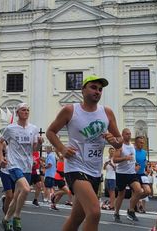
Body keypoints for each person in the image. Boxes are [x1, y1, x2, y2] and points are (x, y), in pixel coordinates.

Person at [47, 74, 123, 231]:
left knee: (77, 217)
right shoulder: (70, 110)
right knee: (94, 212)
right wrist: (62, 148)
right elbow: (50, 132)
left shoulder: (107, 112)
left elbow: (119, 140)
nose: (97, 92)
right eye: (93, 87)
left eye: (100, 89)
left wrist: (114, 141)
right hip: (76, 167)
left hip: (95, 170)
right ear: (83, 90)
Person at [0, 103, 42, 231]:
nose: (26, 112)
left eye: (28, 110)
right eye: (23, 110)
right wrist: (1, 158)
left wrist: (39, 144)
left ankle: (6, 219)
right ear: (17, 112)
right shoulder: (10, 128)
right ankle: (17, 216)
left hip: (27, 165)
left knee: (18, 194)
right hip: (13, 164)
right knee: (26, 189)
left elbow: (34, 148)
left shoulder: (33, 128)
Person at [113, 128, 143, 222]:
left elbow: (133, 158)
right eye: (127, 134)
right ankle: (116, 213)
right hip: (121, 173)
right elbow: (114, 160)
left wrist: (136, 165)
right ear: (122, 135)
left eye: (130, 134)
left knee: (139, 190)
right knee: (121, 194)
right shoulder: (120, 146)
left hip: (131, 173)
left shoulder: (132, 146)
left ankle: (131, 210)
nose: (129, 135)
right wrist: (125, 158)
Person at [134, 136, 151, 212]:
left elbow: (144, 161)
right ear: (136, 143)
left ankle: (134, 201)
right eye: (140, 142)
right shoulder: (133, 151)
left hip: (142, 174)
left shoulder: (144, 152)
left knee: (147, 191)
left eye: (143, 143)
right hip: (134, 174)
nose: (142, 144)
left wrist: (147, 168)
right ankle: (135, 206)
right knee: (137, 191)